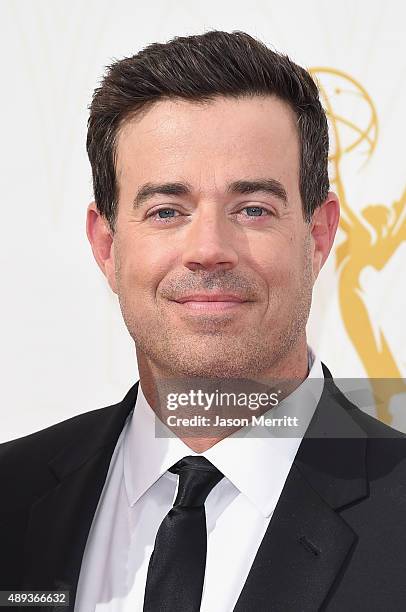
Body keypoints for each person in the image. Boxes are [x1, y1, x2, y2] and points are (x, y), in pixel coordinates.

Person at [1, 29, 405, 612]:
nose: (209, 248)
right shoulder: (11, 502)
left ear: (317, 236)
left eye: (253, 209)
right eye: (167, 211)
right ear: (106, 244)